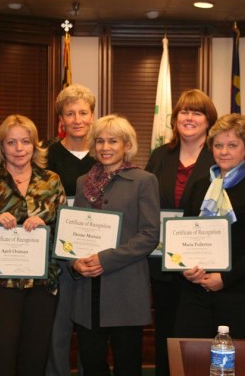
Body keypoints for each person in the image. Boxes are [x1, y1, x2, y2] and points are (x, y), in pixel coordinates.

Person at [0, 115, 67, 376]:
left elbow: (66, 232)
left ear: (35, 145)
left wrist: (46, 227)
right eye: (11, 142)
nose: (19, 148)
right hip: (0, 284)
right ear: (1, 147)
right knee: (0, 355)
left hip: (42, 284)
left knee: (34, 355)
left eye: (25, 141)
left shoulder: (51, 181)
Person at [71, 114, 160, 376]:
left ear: (126, 145)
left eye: (113, 141)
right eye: (99, 141)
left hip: (126, 287)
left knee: (127, 364)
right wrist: (73, 261)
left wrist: (105, 259)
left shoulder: (144, 180)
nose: (105, 147)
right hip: (88, 289)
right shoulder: (82, 182)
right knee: (92, 362)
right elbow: (73, 232)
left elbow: (149, 234)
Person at [175, 114, 245, 339]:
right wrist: (185, 269)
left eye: (232, 145)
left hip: (242, 292)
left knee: (235, 363)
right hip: (196, 290)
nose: (224, 152)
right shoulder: (200, 186)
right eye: (219, 145)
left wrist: (225, 279)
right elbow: (184, 234)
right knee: (192, 360)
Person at [144, 88, 217, 376]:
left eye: (197, 112)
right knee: (166, 331)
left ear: (209, 120)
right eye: (184, 112)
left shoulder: (219, 156)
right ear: (175, 119)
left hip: (203, 265)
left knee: (198, 335)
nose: (189, 117)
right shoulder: (161, 155)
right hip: (162, 262)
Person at [46, 84, 97, 376]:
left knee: (92, 329)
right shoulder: (45, 156)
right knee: (58, 329)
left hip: (95, 253)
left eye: (83, 112)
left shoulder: (105, 154)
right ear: (61, 120)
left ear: (92, 116)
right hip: (58, 255)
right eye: (70, 113)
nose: (77, 119)